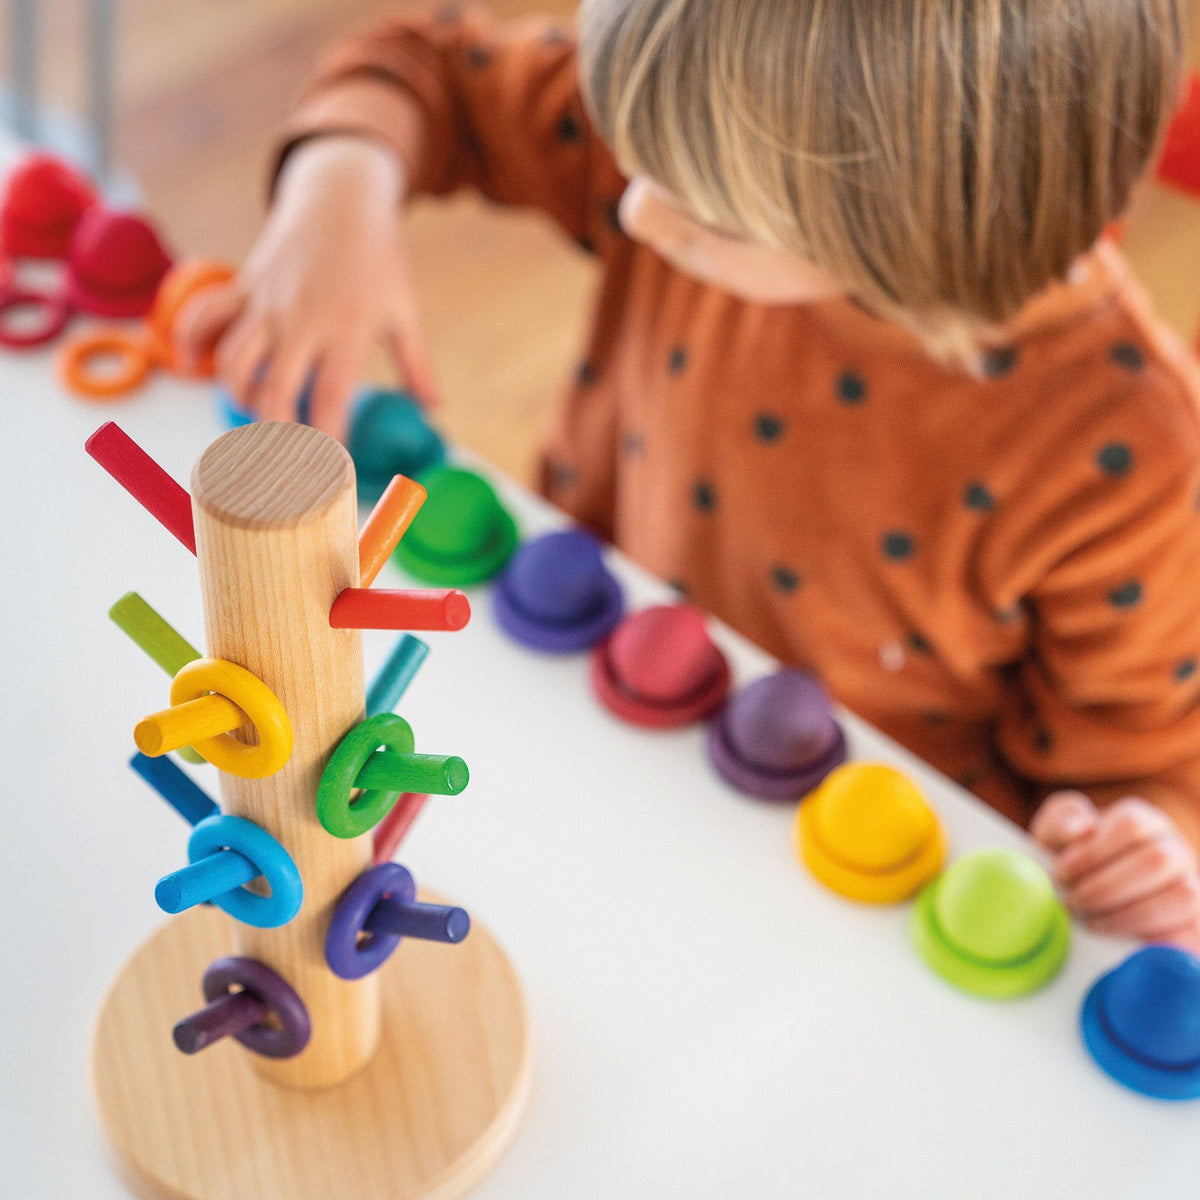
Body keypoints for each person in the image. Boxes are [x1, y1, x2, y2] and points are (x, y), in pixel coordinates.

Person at [179, 1, 1200, 949]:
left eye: (709, 219)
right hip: (573, 725)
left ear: (910, 228)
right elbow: (431, 67)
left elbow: (1147, 761)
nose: (639, 218)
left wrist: (1143, 846)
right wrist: (341, 185)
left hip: (829, 903)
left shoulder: (1131, 453)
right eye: (630, 154)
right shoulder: (721, 118)